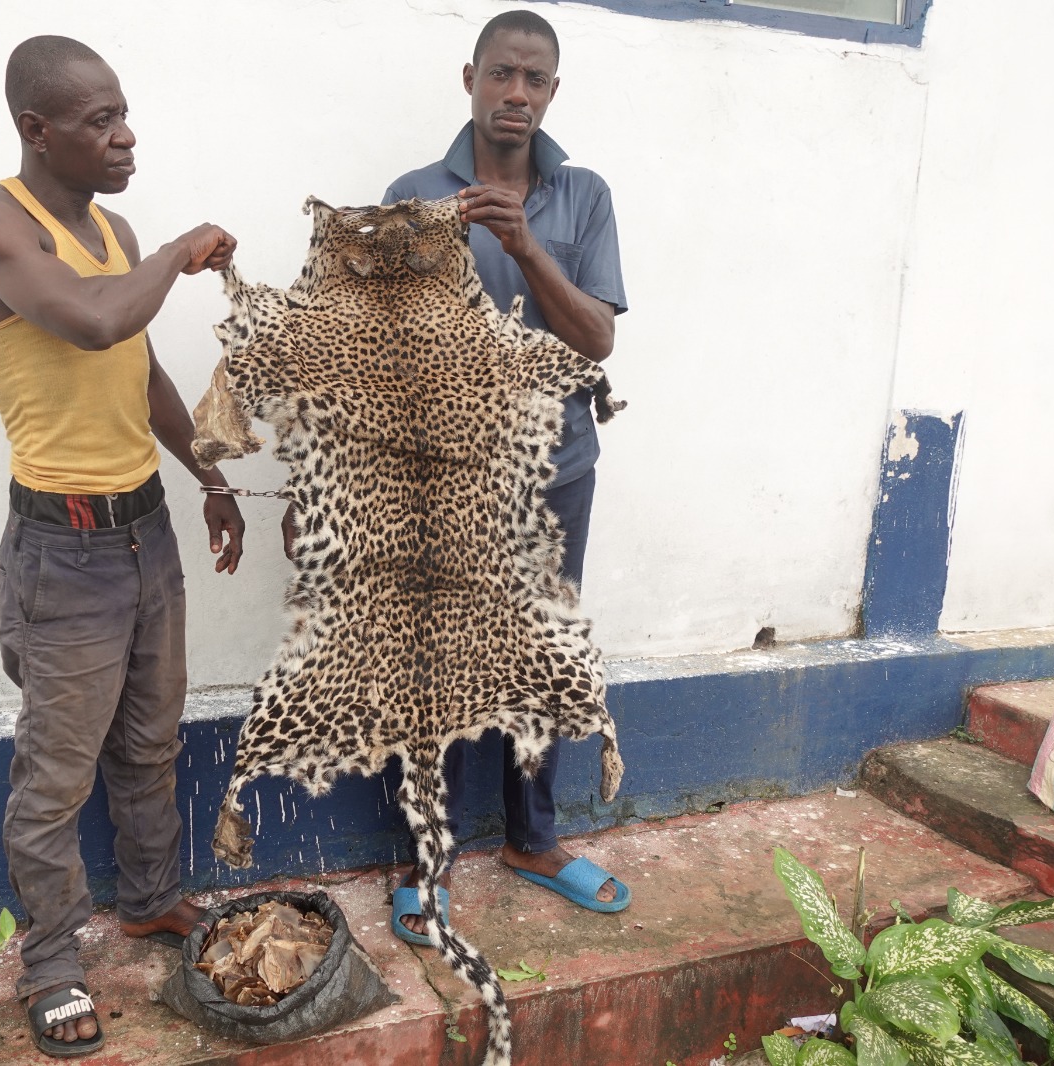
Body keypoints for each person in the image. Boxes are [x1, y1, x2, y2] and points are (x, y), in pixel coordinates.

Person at [0, 35, 244, 1057]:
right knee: (56, 772)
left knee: (149, 742)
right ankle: (52, 962)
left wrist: (208, 473)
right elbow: (85, 319)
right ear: (36, 129)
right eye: (98, 121)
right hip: (61, 552)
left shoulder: (113, 228)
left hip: (142, 537)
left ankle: (154, 898)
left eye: (124, 114)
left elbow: (138, 365)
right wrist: (173, 254)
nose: (125, 137)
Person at [356, 9, 633, 942]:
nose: (517, 94)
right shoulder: (412, 193)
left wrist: (524, 244)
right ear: (469, 77)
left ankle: (533, 839)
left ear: (552, 92)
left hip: (557, 472)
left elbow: (595, 337)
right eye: (503, 74)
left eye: (536, 80)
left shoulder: (582, 195)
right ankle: (422, 856)